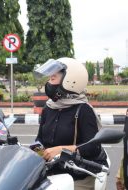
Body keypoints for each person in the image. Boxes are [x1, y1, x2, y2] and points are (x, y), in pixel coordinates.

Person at [34, 57, 107, 190]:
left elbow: (92, 147)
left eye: (53, 78)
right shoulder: (48, 108)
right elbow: (40, 139)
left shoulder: (84, 110)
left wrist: (61, 150)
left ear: (70, 81)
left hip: (78, 176)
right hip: (51, 173)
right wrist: (38, 152)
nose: (49, 83)